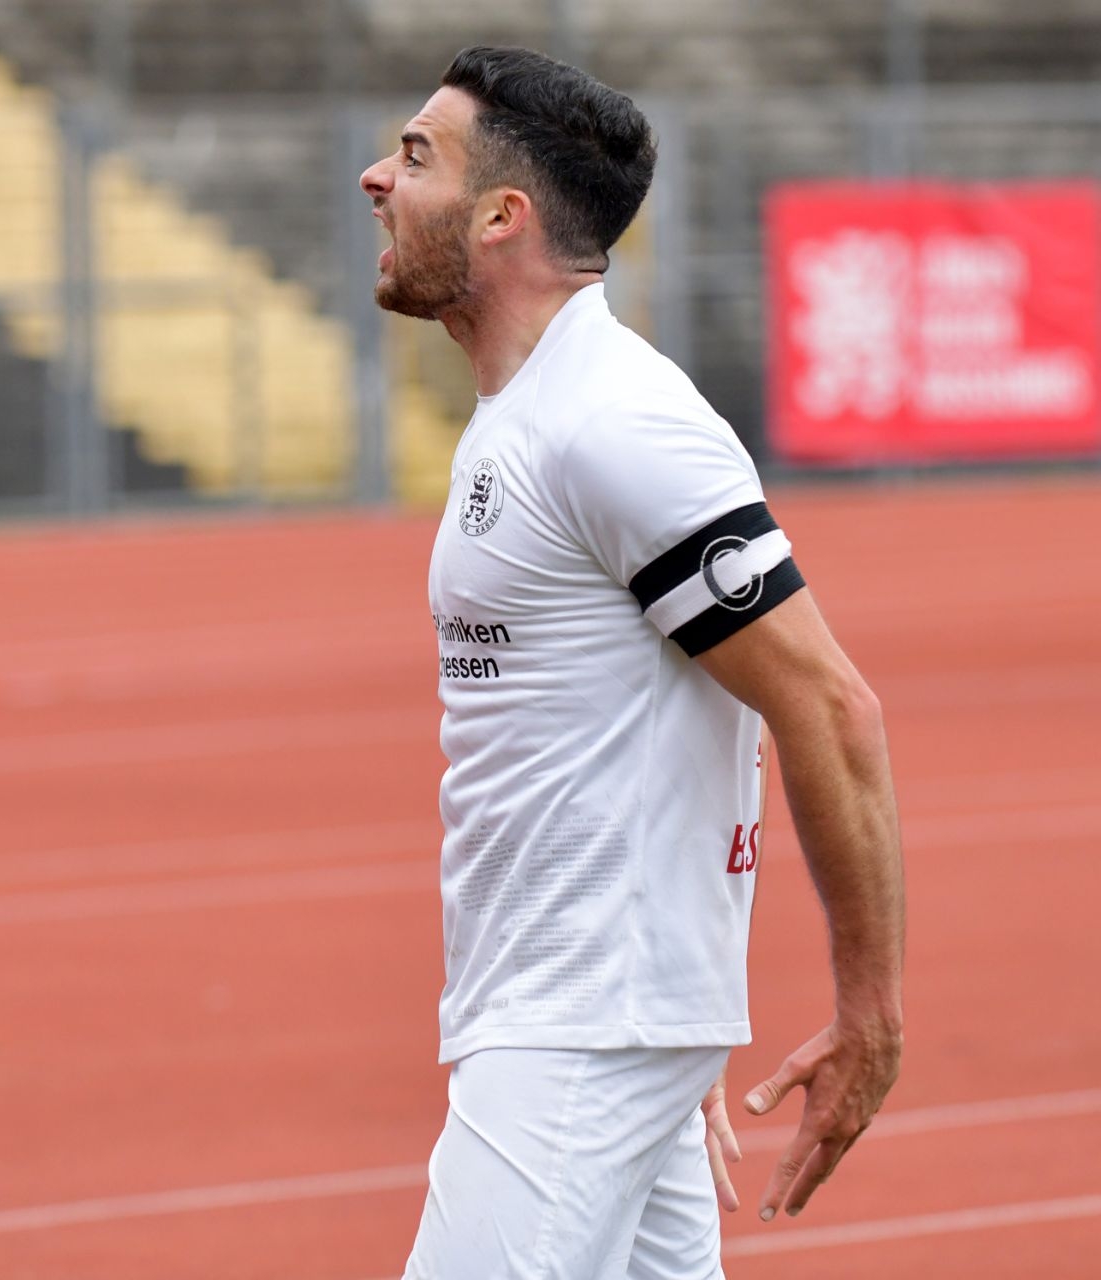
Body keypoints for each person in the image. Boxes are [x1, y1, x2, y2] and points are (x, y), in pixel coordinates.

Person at [362, 47, 905, 1278]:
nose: (376, 178)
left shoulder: (615, 420)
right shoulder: (530, 411)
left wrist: (868, 1014)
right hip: (599, 1020)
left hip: (582, 1025)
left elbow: (828, 704)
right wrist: (669, 1030)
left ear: (502, 215)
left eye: (416, 156)